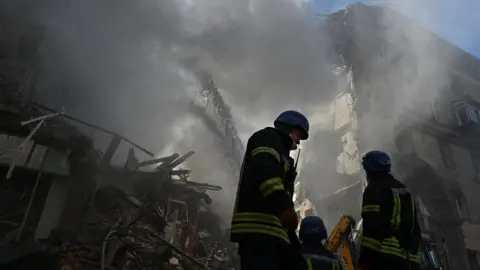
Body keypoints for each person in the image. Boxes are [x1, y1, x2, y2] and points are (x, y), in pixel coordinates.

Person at [230, 110, 310, 270]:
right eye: (299, 136)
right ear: (290, 128)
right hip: (257, 230)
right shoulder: (267, 138)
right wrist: (284, 209)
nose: (299, 143)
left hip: (275, 232)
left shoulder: (283, 154)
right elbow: (265, 174)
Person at [359, 150, 422, 270]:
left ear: (369, 170)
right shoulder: (404, 190)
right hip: (410, 260)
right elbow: (415, 228)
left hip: (385, 259)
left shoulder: (374, 189)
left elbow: (372, 227)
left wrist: (365, 260)